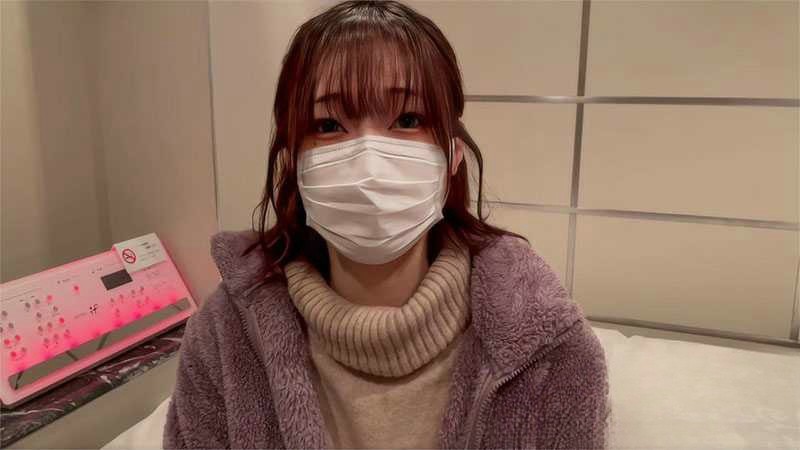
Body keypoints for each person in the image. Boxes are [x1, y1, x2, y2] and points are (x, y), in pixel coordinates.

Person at [163, 1, 610, 448]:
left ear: (452, 156)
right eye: (328, 124)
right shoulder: (223, 340)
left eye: (408, 120)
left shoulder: (550, 351)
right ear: (293, 163)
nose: (370, 162)